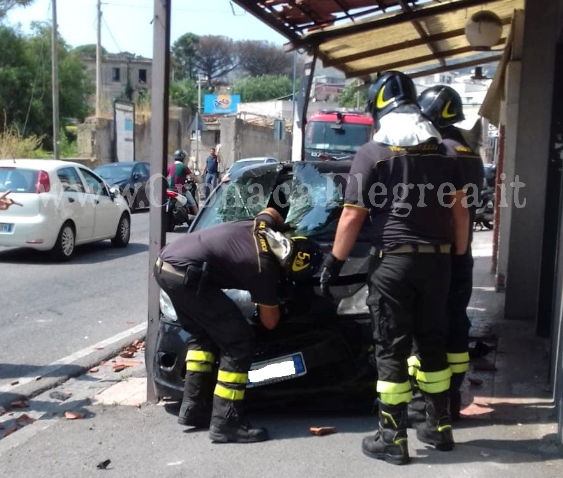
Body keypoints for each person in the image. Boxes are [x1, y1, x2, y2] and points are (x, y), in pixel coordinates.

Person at [319, 71, 469, 465]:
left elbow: (352, 216)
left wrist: (333, 264)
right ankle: (439, 429)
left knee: (392, 349)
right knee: (432, 343)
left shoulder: (372, 153)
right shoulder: (445, 152)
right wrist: (456, 256)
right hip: (437, 263)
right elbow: (460, 212)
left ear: (379, 108)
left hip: (393, 264)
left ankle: (392, 437)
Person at [154, 207, 322, 444]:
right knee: (238, 341)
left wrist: (282, 226)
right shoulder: (265, 269)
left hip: (165, 265)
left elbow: (271, 211)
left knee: (203, 335)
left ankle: (194, 408)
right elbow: (270, 322)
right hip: (188, 276)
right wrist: (276, 299)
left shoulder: (264, 227)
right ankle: (227, 423)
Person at [418, 85, 484, 420]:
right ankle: (453, 399)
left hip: (437, 253)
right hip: (464, 251)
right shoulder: (470, 151)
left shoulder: (440, 151)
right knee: (456, 323)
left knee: (428, 328)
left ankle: (431, 404)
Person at [167, 149, 198, 215]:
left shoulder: (170, 167)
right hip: (181, 190)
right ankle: (198, 220)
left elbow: (165, 176)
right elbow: (193, 177)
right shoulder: (184, 167)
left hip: (170, 190)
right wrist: (198, 180)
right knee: (193, 202)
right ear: (182, 157)